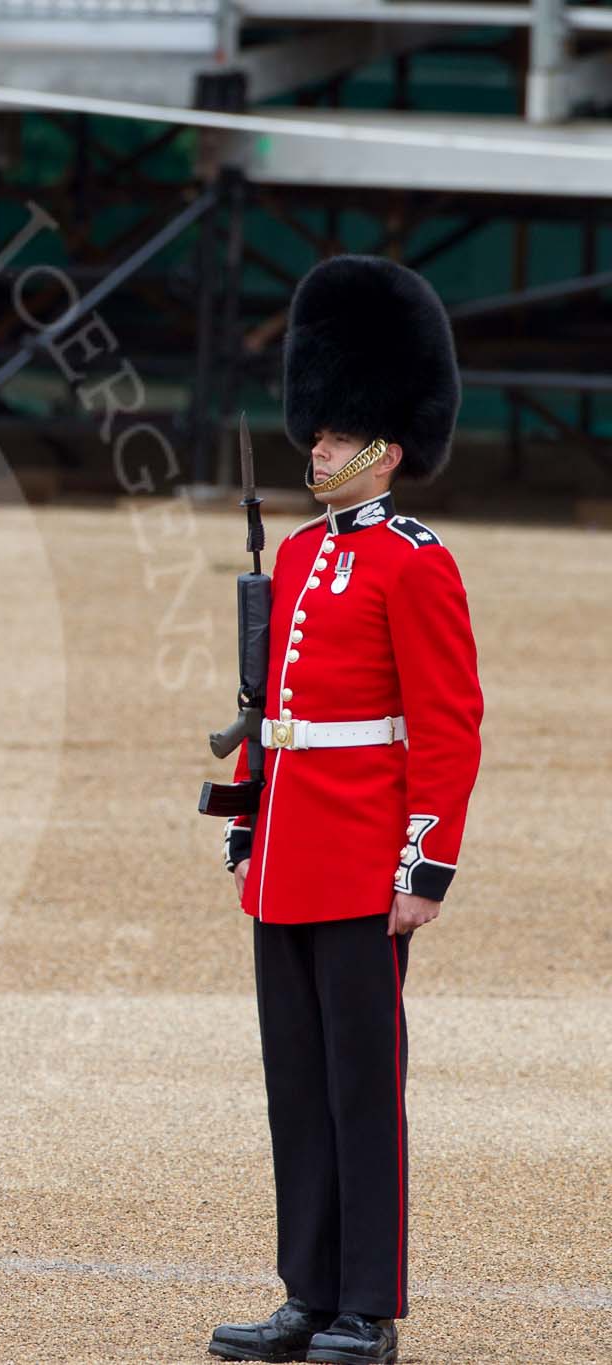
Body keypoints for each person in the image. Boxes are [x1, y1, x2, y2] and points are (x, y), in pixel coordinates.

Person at [209, 255, 483, 1365]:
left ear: (383, 444)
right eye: (313, 434)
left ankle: (366, 1305)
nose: (313, 448)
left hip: (364, 855)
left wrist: (423, 866)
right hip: (285, 855)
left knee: (362, 1092)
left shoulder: (414, 564)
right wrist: (241, 824)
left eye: (331, 437)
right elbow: (264, 712)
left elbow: (446, 725)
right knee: (296, 1090)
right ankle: (305, 1291)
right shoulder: (304, 554)